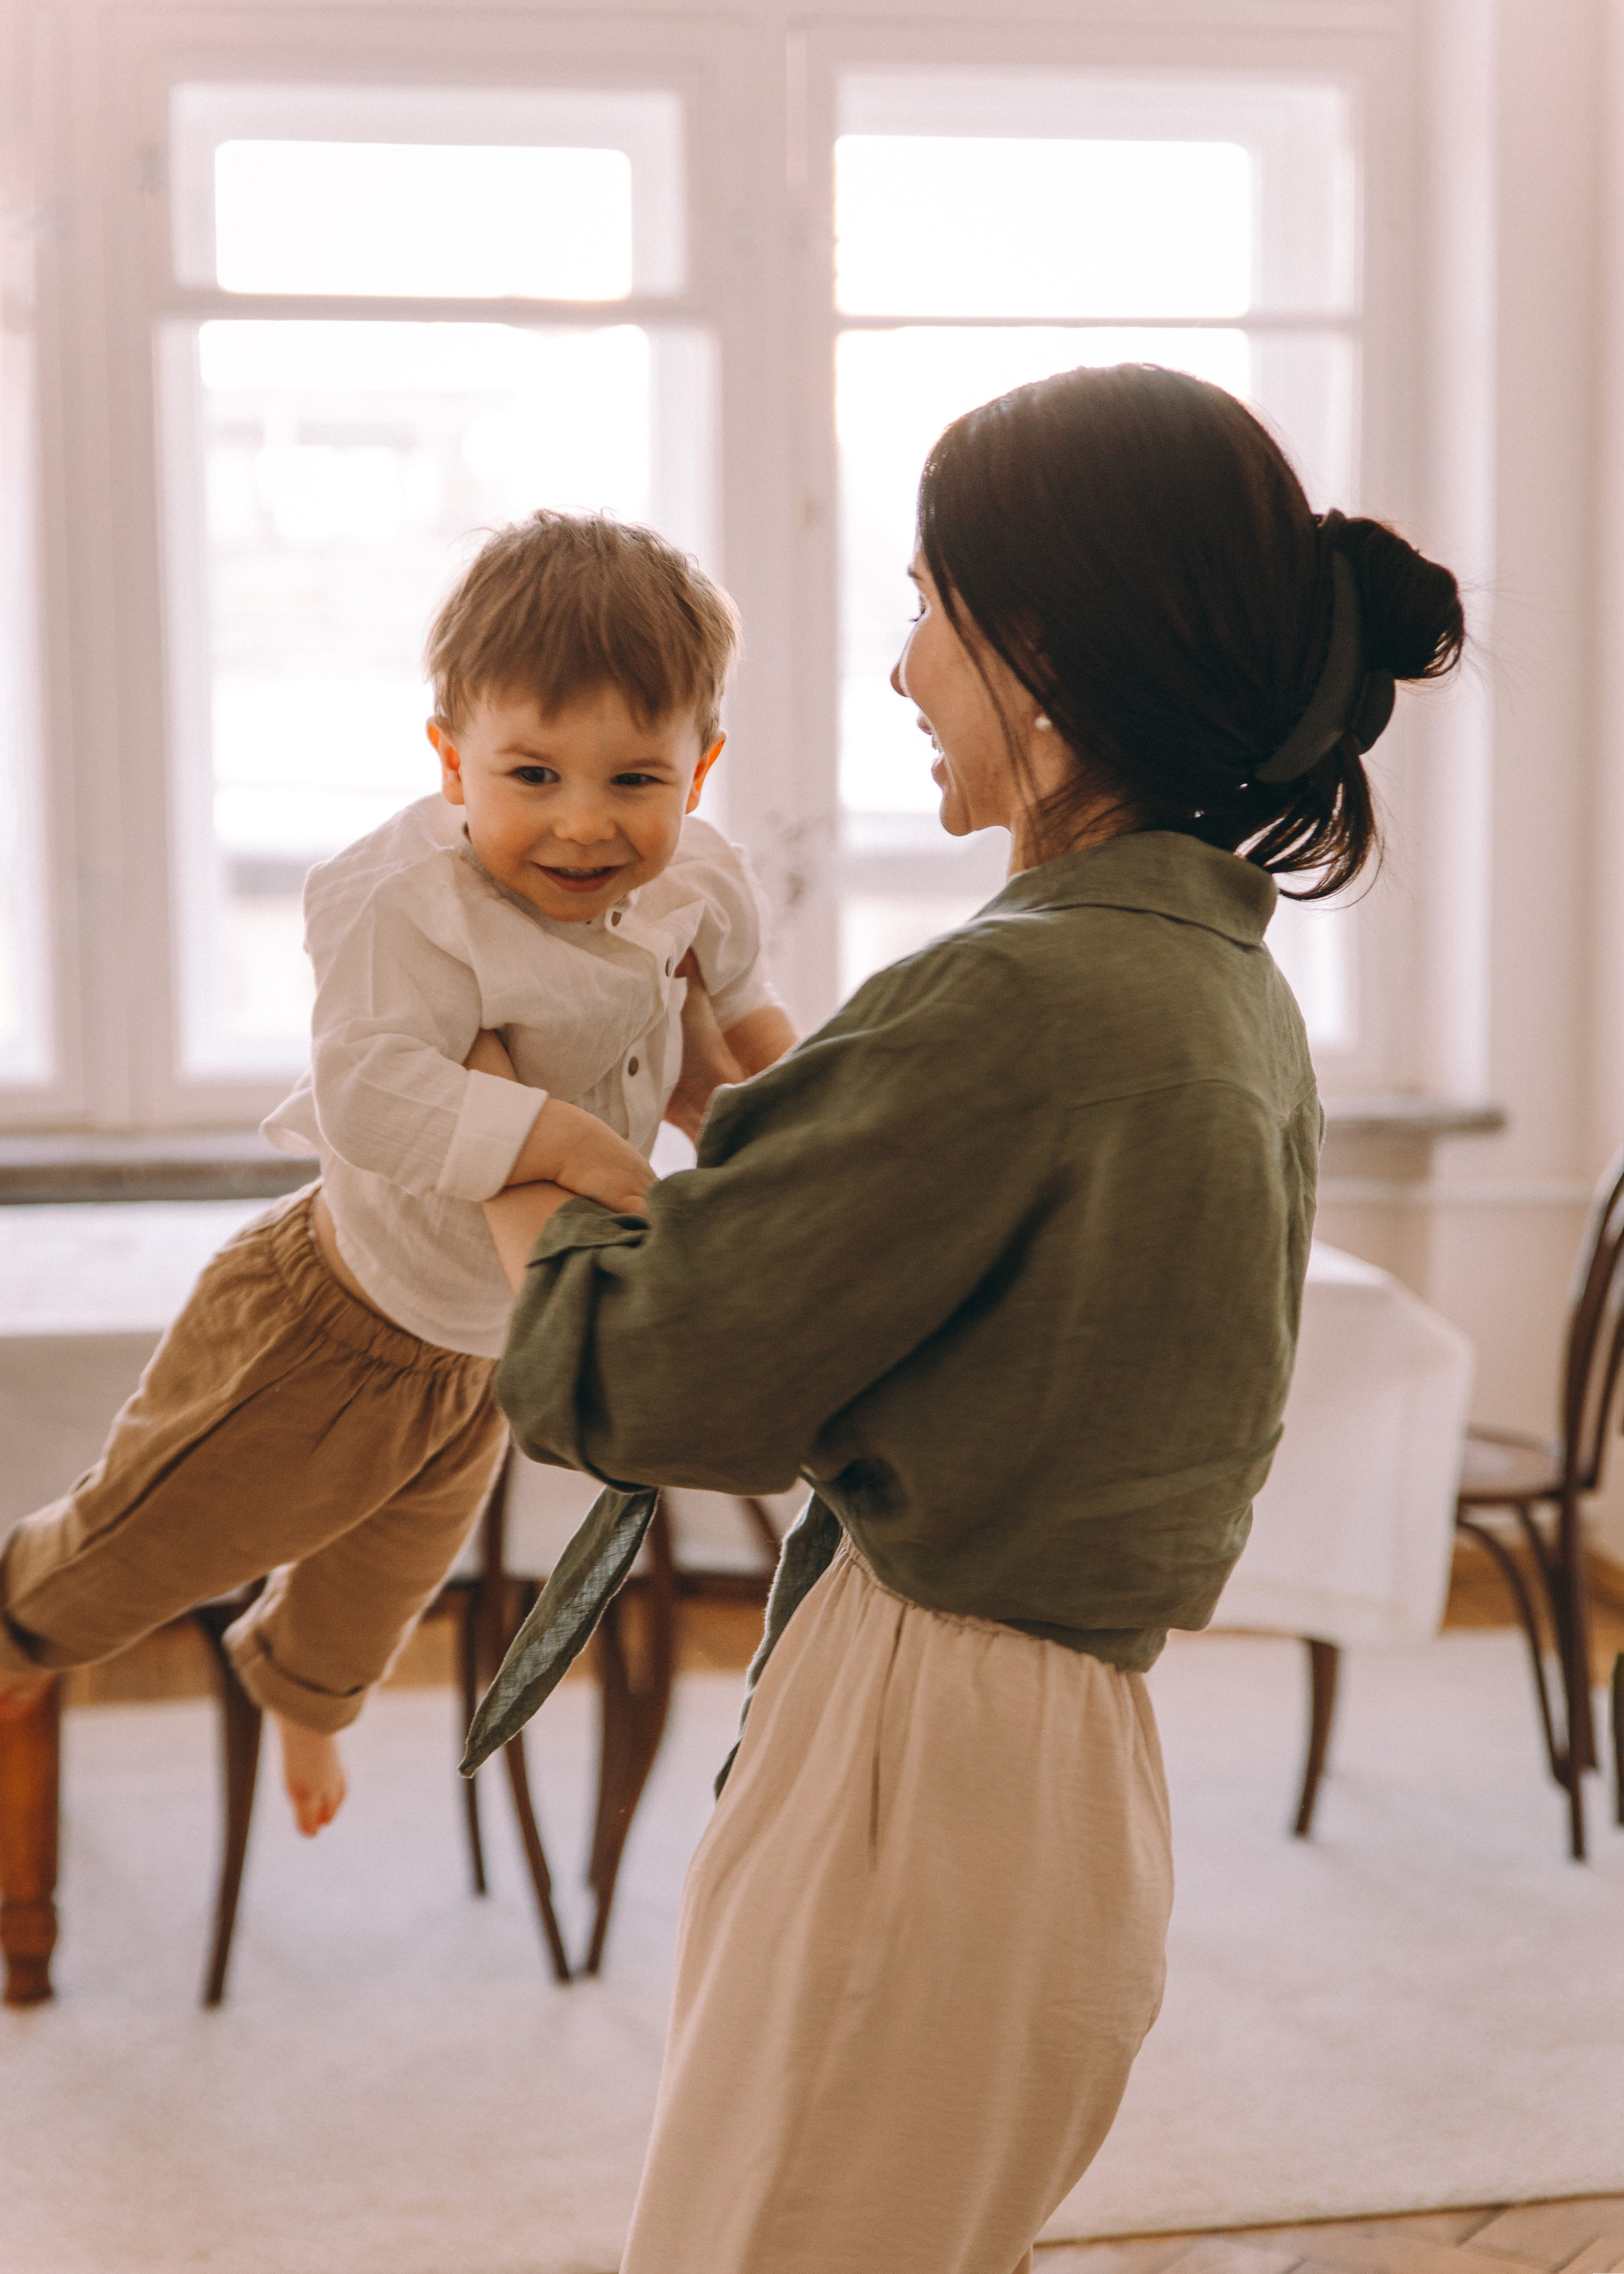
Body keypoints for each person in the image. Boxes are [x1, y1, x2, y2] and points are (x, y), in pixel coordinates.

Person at [468, 368, 1465, 2274]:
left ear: (1042, 646)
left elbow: (642, 1371)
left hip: (920, 1765)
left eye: (926, 610)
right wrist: (723, 1105)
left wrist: (498, 1112)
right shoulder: (1206, 981)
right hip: (1059, 1773)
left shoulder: (1027, 996)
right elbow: (926, 1232)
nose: (901, 670)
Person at [0, 511, 794, 1839]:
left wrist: (802, 1115)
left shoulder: (698, 881)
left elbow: (742, 1022)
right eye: (531, 775)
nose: (583, 825)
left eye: (634, 782)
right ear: (450, 760)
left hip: (475, 1342)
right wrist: (574, 1146)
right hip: (327, 1321)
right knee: (143, 1543)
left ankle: (307, 1690)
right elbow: (370, 1090)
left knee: (390, 1563)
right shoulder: (403, 902)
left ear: (700, 769)